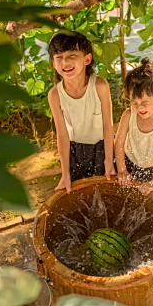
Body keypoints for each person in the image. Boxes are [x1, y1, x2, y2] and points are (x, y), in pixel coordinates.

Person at [48, 32, 115, 194]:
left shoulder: (99, 85)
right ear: (54, 64)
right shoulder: (55, 95)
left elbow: (108, 125)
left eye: (72, 55)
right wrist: (65, 174)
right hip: (75, 151)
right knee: (80, 194)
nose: (66, 61)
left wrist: (109, 161)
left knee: (107, 191)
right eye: (59, 57)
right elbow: (62, 135)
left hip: (103, 145)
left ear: (87, 59)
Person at [114, 57, 153, 196]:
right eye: (133, 101)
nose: (139, 106)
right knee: (126, 198)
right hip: (129, 165)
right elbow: (119, 144)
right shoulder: (129, 115)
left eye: (145, 102)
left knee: (152, 205)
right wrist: (122, 170)